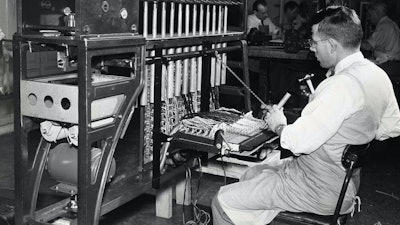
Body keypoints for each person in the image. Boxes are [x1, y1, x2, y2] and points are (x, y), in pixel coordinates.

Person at [212, 6, 400, 225]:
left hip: (318, 189)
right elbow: (392, 126)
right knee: (252, 175)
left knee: (222, 200)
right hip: (345, 183)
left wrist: (278, 125)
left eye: (314, 42)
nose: (312, 49)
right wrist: (349, 133)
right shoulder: (377, 74)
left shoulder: (339, 85)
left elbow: (297, 143)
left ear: (331, 45)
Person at [361, 0, 400, 65]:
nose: (368, 18)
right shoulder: (391, 24)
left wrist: (352, 42)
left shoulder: (384, 26)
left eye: (370, 15)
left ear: (376, 13)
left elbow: (367, 46)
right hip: (393, 63)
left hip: (389, 64)